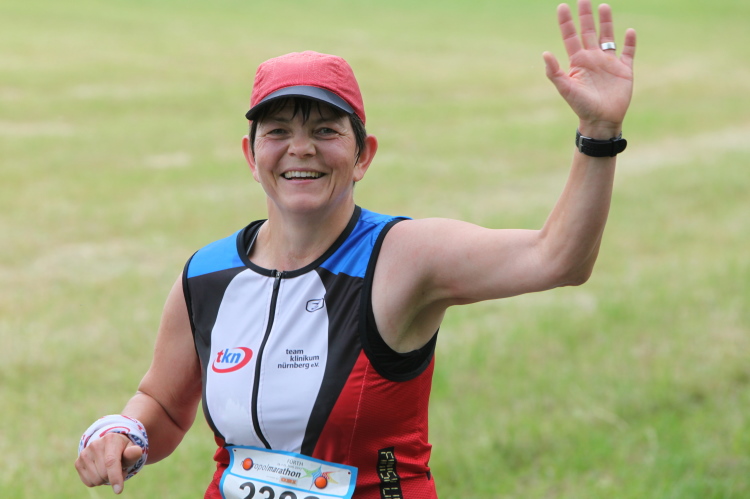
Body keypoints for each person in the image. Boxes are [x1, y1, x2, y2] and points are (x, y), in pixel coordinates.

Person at [75, 1, 636, 497]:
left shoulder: (404, 257)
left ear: (363, 155)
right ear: (251, 155)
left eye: (325, 130)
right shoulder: (207, 275)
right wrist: (122, 432)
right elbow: (163, 405)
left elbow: (557, 258)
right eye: (278, 131)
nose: (301, 149)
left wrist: (598, 133)